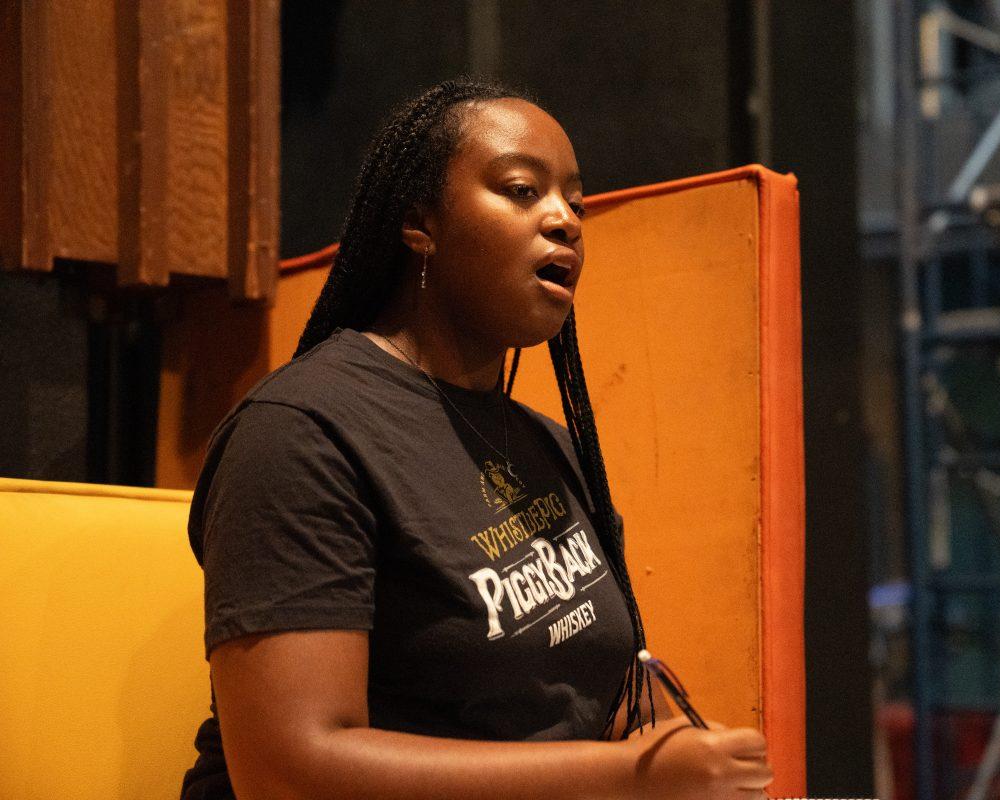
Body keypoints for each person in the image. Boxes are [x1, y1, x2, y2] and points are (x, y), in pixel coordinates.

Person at [180, 76, 773, 800]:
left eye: (575, 202)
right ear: (419, 221)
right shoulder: (301, 433)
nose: (565, 220)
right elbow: (286, 772)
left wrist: (662, 750)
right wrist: (623, 777)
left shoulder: (551, 447)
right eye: (523, 190)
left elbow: (567, 711)